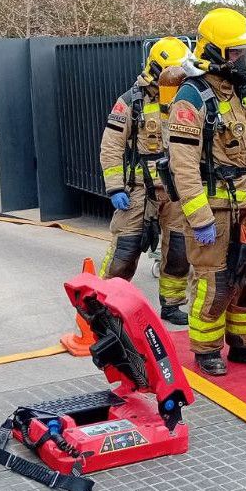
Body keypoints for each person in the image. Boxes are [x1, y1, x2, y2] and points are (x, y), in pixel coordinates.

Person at [165, 7, 246, 376]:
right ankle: (206, 350)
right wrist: (199, 218)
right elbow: (182, 164)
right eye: (236, 52)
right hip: (213, 209)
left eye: (244, 51)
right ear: (214, 52)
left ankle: (245, 345)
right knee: (216, 284)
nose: (243, 59)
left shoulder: (242, 93)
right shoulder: (192, 96)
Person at [98, 36, 192, 325]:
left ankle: (173, 304)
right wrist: (115, 187)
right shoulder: (131, 101)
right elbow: (112, 146)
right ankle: (106, 304)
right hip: (139, 189)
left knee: (178, 250)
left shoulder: (187, 98)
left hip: (176, 189)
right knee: (125, 248)